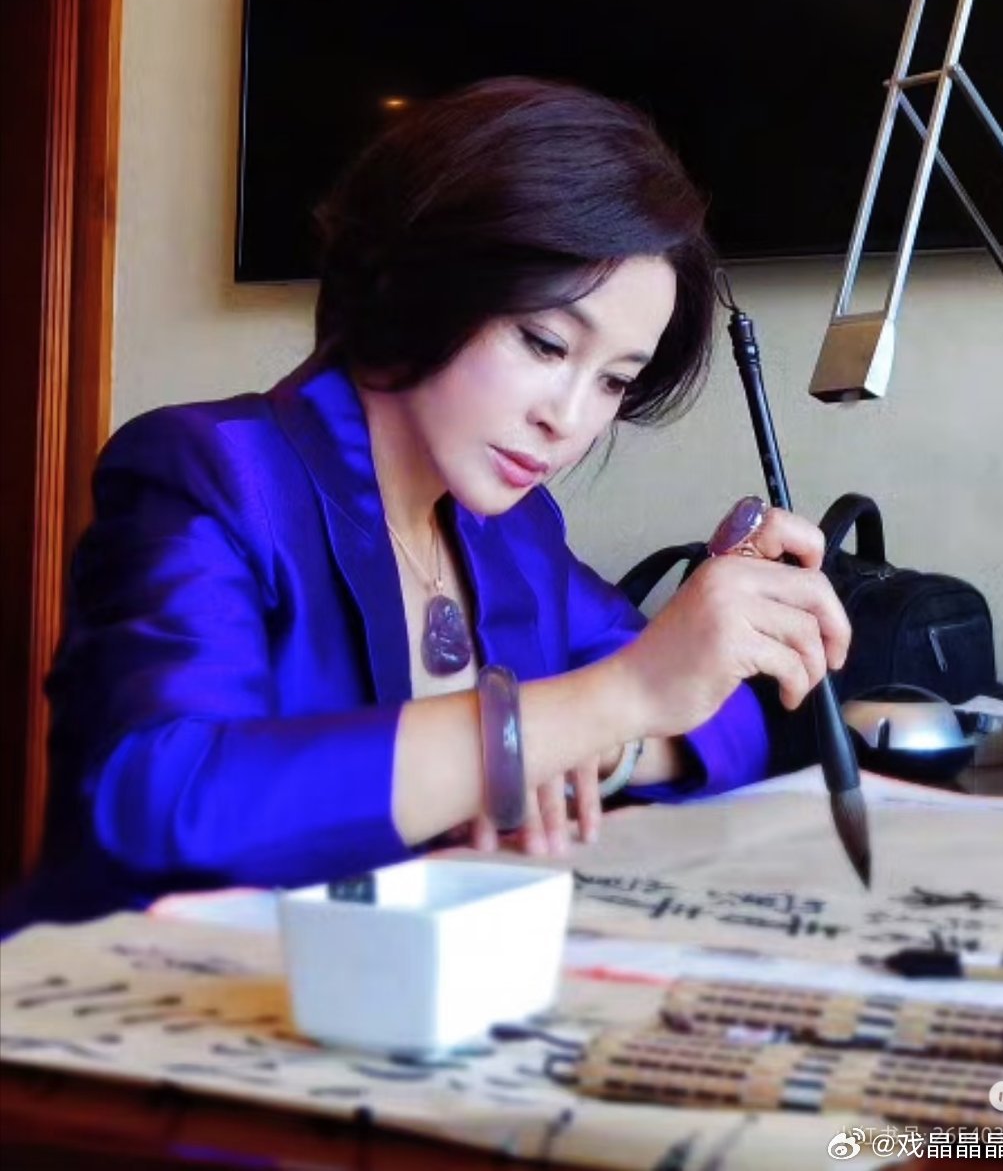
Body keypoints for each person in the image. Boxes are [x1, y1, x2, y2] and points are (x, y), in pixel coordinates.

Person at [2, 77, 847, 933]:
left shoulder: (513, 531)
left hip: (390, 991)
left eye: (614, 381)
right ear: (421, 280)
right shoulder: (210, 471)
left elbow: (723, 724)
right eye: (545, 342)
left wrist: (598, 743)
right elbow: (162, 800)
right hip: (139, 994)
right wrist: (593, 707)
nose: (569, 418)